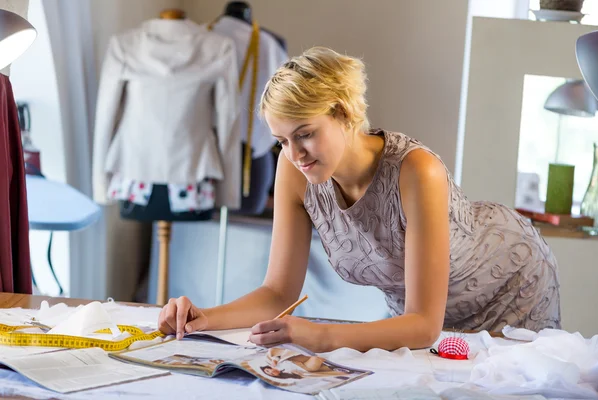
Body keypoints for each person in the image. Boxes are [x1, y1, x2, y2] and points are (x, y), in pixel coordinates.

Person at [158, 47, 561, 353]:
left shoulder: (417, 172)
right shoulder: (293, 169)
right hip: (419, 316)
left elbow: (423, 326)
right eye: (282, 140)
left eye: (304, 133)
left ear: (343, 111)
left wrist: (320, 334)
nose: (295, 154)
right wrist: (202, 319)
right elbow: (279, 294)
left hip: (509, 283)